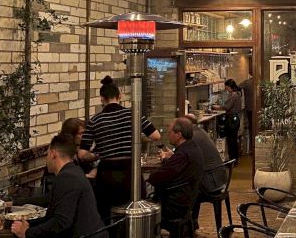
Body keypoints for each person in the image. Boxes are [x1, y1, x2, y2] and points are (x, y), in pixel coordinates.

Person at [78, 75, 161, 221]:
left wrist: (98, 154)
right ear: (120, 96)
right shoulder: (133, 115)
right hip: (130, 172)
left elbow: (82, 154)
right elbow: (156, 136)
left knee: (106, 215)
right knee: (133, 213)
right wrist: (136, 140)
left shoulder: (94, 121)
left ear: (102, 99)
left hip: (107, 175)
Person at [10, 134, 108, 238]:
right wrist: (13, 204)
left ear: (53, 154)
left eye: (47, 154)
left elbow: (61, 221)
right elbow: (47, 199)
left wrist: (27, 233)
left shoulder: (67, 178)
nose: (46, 159)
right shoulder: (74, 171)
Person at [148, 118, 203, 238]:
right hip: (187, 200)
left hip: (173, 205)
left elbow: (154, 178)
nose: (167, 135)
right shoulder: (193, 148)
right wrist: (172, 159)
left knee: (144, 194)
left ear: (179, 135)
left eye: (170, 132)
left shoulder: (183, 154)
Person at [184, 114, 227, 231]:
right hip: (218, 179)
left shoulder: (193, 137)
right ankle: (192, 222)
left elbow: (185, 158)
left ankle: (187, 223)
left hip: (211, 182)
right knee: (191, 183)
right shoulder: (201, 132)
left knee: (185, 188)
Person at [215, 79, 242, 164]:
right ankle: (234, 159)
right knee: (233, 139)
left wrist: (216, 107)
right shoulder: (237, 94)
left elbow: (227, 107)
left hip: (231, 120)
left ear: (230, 87)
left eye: (226, 87)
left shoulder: (233, 95)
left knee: (231, 140)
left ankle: (232, 160)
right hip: (235, 119)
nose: (226, 89)